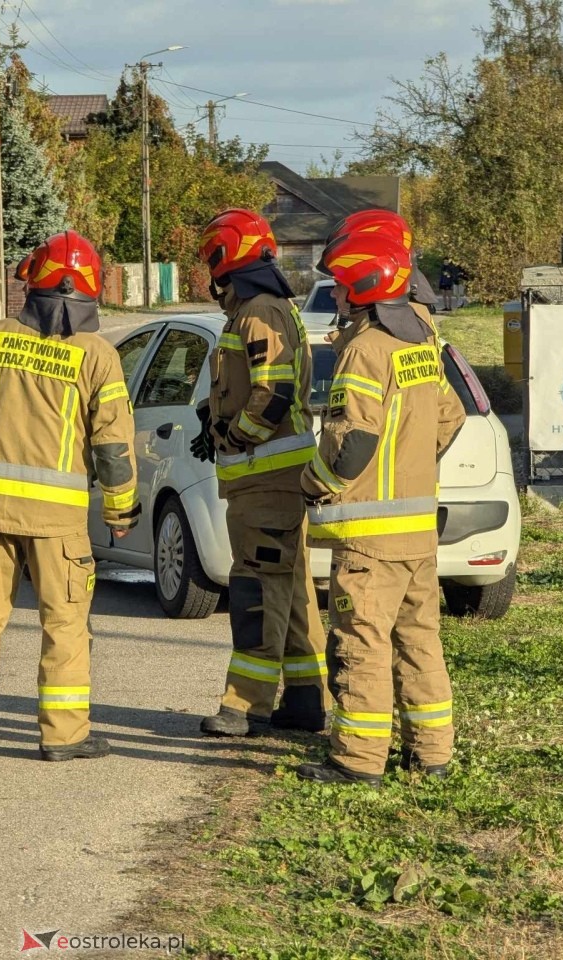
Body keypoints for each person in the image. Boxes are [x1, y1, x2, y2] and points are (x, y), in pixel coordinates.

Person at [0, 230, 139, 762]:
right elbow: (113, 445)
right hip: (58, 524)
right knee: (64, 625)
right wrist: (120, 509)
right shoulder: (97, 356)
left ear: (34, 285)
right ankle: (64, 737)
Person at [297, 229, 466, 787]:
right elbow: (451, 418)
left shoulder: (365, 348)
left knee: (361, 645)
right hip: (418, 530)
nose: (338, 299)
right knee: (419, 639)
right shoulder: (418, 342)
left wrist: (314, 483)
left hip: (370, 534)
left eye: (343, 288)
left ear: (363, 288)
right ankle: (432, 754)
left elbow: (352, 442)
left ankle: (357, 762)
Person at [192, 208, 330, 739]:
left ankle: (243, 706)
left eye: (211, 259)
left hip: (265, 480)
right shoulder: (265, 309)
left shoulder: (258, 313)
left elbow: (272, 395)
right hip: (268, 480)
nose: (210, 272)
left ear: (227, 258)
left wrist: (232, 436)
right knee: (290, 593)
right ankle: (303, 702)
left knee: (255, 592)